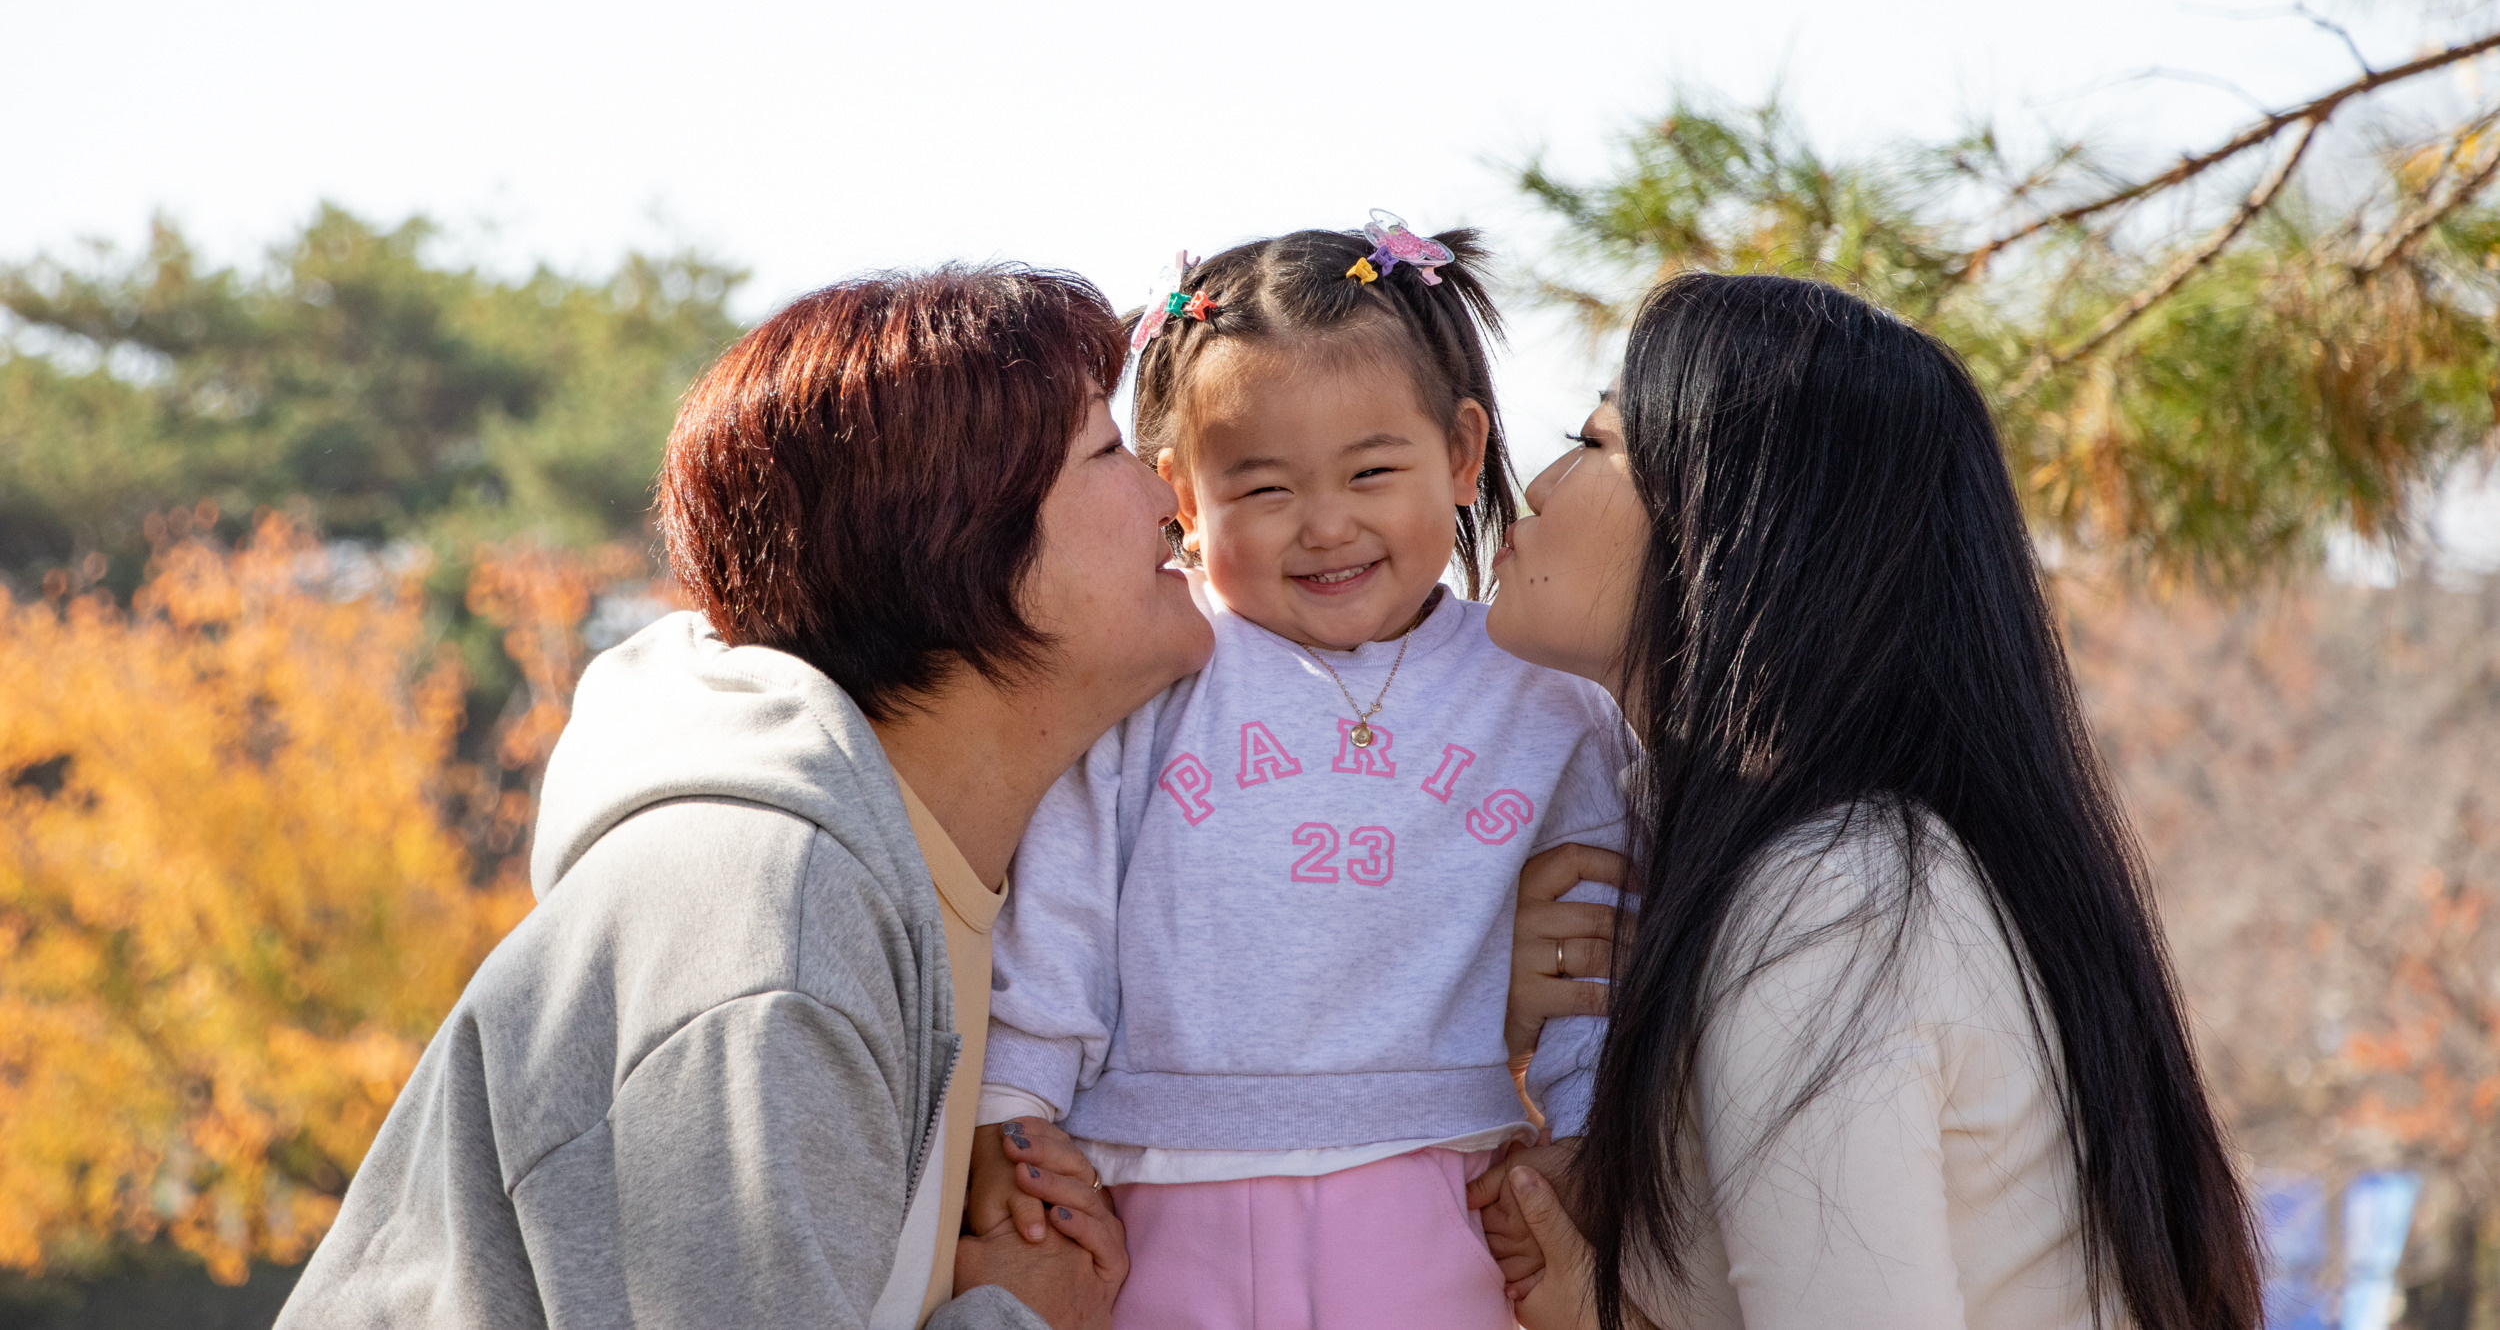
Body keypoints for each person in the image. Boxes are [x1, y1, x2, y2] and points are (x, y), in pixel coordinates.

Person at [275, 267, 1214, 1330]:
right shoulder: (769, 915)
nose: (1171, 494)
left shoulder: (975, 873)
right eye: (1107, 452)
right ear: (958, 549)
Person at [1473, 273, 2263, 1330]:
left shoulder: (1833, 897)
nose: (1533, 483)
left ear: (1737, 528)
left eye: (1595, 439)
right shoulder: (1818, 863)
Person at [965, 223, 1633, 1330]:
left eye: (1372, 471)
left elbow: (1597, 955)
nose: (1326, 524)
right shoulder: (1160, 665)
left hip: (1447, 1186)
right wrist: (1013, 1109)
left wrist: (1581, 1146)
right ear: (1179, 487)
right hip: (1158, 1183)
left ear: (1462, 453)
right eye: (1264, 486)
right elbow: (1062, 910)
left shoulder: (1547, 698)